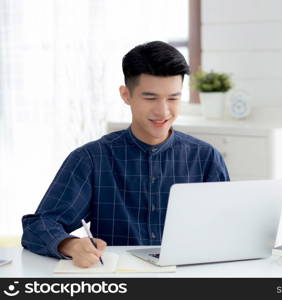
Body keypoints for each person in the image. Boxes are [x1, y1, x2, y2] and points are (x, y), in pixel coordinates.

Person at [21, 41, 230, 268]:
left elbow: (228, 228)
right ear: (125, 95)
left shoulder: (206, 158)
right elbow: (38, 225)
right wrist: (70, 245)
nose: (163, 111)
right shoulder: (92, 158)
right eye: (150, 98)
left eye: (173, 98)